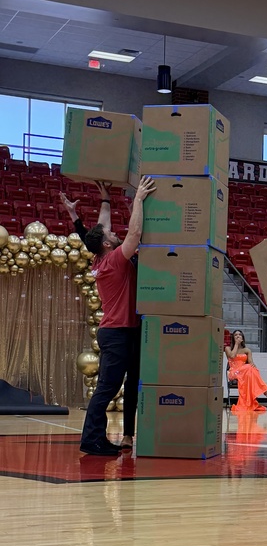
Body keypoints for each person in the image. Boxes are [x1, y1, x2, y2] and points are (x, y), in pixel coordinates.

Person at [79, 176, 155, 456]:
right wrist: (138, 199)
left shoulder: (99, 257)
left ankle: (103, 437)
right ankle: (91, 440)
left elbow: (102, 227)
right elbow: (134, 236)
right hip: (118, 333)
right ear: (108, 245)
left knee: (111, 386)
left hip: (122, 331)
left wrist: (106, 199)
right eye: (111, 235)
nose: (114, 233)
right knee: (106, 389)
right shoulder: (112, 261)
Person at [225, 330, 267, 414]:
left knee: (251, 368)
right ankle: (265, 390)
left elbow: (251, 363)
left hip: (245, 372)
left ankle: (263, 390)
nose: (238, 336)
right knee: (248, 367)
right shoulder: (228, 348)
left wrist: (255, 368)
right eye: (235, 335)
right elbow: (232, 356)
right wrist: (236, 344)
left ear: (243, 338)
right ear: (233, 338)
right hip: (234, 372)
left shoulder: (247, 350)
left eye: (240, 335)